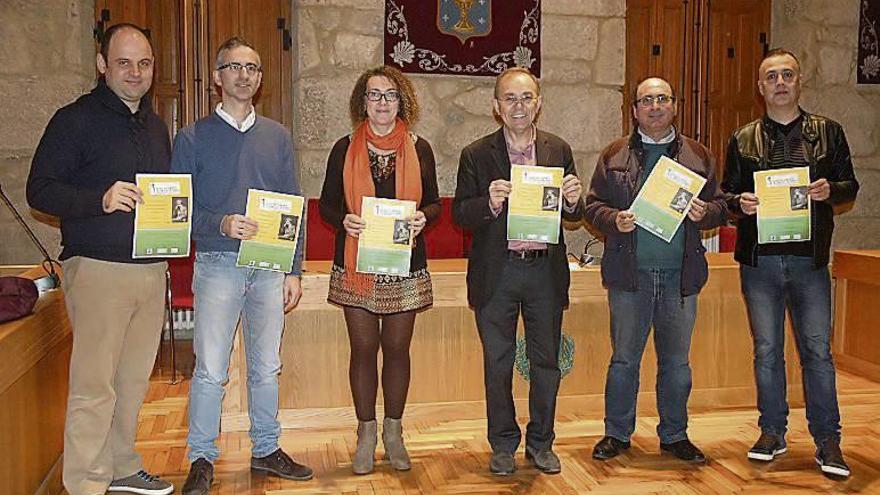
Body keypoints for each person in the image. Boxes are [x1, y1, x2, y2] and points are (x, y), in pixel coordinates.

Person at [26, 23, 174, 495]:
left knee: (132, 381)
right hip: (97, 270)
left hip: (150, 269)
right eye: (124, 62)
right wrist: (101, 198)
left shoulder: (154, 125)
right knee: (94, 387)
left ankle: (121, 466)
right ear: (102, 65)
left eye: (144, 63)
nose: (135, 72)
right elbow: (40, 190)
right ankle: (86, 483)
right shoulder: (73, 120)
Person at [171, 37, 312, 494]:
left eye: (252, 67)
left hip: (270, 266)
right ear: (217, 77)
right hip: (218, 263)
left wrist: (294, 268)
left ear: (260, 77)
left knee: (267, 365)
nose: (244, 75)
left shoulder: (278, 136)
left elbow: (294, 203)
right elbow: (179, 211)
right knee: (211, 367)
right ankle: (201, 458)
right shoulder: (192, 137)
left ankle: (267, 448)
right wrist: (222, 222)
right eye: (233, 67)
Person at [722, 48, 859, 477]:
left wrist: (829, 192)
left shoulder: (828, 132)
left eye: (787, 74)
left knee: (817, 351)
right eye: (770, 76)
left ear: (799, 82)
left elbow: (849, 185)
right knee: (766, 351)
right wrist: (738, 203)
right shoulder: (742, 138)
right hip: (759, 261)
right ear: (760, 87)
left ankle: (828, 440)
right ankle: (772, 431)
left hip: (810, 262)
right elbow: (726, 195)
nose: (779, 82)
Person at [584, 77, 727, 464]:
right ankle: (617, 433)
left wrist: (706, 212)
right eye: (647, 100)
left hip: (681, 277)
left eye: (663, 98)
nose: (655, 106)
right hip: (630, 276)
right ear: (634, 110)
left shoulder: (698, 155)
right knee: (624, 360)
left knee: (677, 363)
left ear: (675, 106)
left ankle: (675, 435)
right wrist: (615, 219)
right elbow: (592, 206)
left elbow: (721, 205)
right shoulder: (613, 154)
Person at [452, 67, 584, 476]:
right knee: (498, 362)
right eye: (510, 98)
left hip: (544, 272)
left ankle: (542, 443)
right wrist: (489, 203)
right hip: (498, 272)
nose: (519, 106)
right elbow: (460, 215)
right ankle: (504, 443)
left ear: (539, 103)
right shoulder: (475, 154)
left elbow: (573, 212)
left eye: (526, 97)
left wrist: (574, 201)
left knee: (546, 362)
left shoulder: (558, 150)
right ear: (496, 107)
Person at [319, 65, 440, 475]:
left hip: (405, 267)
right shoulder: (344, 148)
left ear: (401, 100)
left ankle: (394, 432)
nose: (383, 102)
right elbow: (327, 204)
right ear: (362, 102)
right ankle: (365, 433)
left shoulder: (420, 148)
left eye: (390, 94)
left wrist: (424, 217)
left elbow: (436, 203)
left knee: (397, 351)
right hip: (356, 265)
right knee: (364, 351)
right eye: (374, 94)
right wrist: (343, 222)